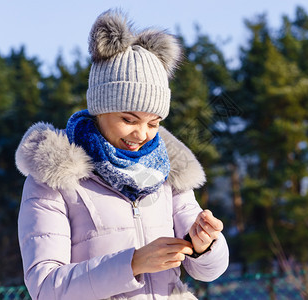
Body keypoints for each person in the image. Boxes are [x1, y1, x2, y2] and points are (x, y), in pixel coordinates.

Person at [15, 9, 229, 300]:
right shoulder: (53, 179)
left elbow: (208, 271)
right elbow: (45, 286)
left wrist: (206, 245)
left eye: (153, 123)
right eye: (128, 120)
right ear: (100, 107)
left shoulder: (166, 173)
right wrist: (133, 263)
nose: (142, 134)